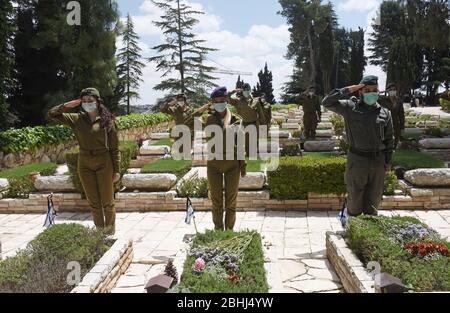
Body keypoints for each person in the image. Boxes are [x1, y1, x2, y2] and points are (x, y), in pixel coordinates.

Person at [47, 88, 120, 233]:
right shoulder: (76, 119)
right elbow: (52, 114)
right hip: (84, 162)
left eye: (90, 101)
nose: (87, 104)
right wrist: (67, 105)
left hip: (103, 161)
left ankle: (110, 232)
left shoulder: (108, 121)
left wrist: (117, 170)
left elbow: (114, 148)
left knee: (107, 201)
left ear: (98, 102)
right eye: (84, 101)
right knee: (93, 201)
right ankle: (100, 232)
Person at [322, 76, 394, 217]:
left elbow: (389, 140)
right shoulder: (350, 108)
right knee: (354, 199)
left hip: (378, 161)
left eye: (374, 90)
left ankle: (368, 233)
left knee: (374, 200)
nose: (371, 93)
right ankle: (352, 230)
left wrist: (388, 161)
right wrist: (349, 89)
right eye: (367, 90)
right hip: (357, 160)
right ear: (360, 92)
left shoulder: (385, 113)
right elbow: (326, 102)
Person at [204, 87, 246, 231]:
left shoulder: (236, 120)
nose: (219, 103)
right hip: (214, 164)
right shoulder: (208, 118)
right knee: (216, 201)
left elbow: (241, 144)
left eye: (222, 100)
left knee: (231, 202)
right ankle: (218, 230)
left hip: (232, 165)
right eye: (216, 101)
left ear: (227, 101)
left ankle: (228, 231)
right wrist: (202, 108)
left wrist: (243, 165)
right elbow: (186, 121)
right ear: (212, 103)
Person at [228, 83, 260, 157]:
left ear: (250, 90)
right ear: (242, 91)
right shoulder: (237, 101)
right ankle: (246, 158)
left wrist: (264, 125)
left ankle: (252, 157)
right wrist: (234, 91)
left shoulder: (255, 101)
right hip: (243, 124)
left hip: (254, 124)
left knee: (253, 143)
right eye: (244, 90)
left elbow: (261, 115)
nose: (246, 91)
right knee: (244, 142)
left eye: (247, 90)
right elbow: (227, 97)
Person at [379, 83, 405, 148]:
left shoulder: (399, 101)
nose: (393, 91)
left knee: (394, 143)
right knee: (385, 142)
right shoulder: (383, 100)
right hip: (385, 123)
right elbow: (374, 98)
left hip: (395, 124)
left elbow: (401, 115)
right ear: (387, 91)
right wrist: (381, 92)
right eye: (391, 89)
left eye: (394, 89)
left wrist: (402, 127)